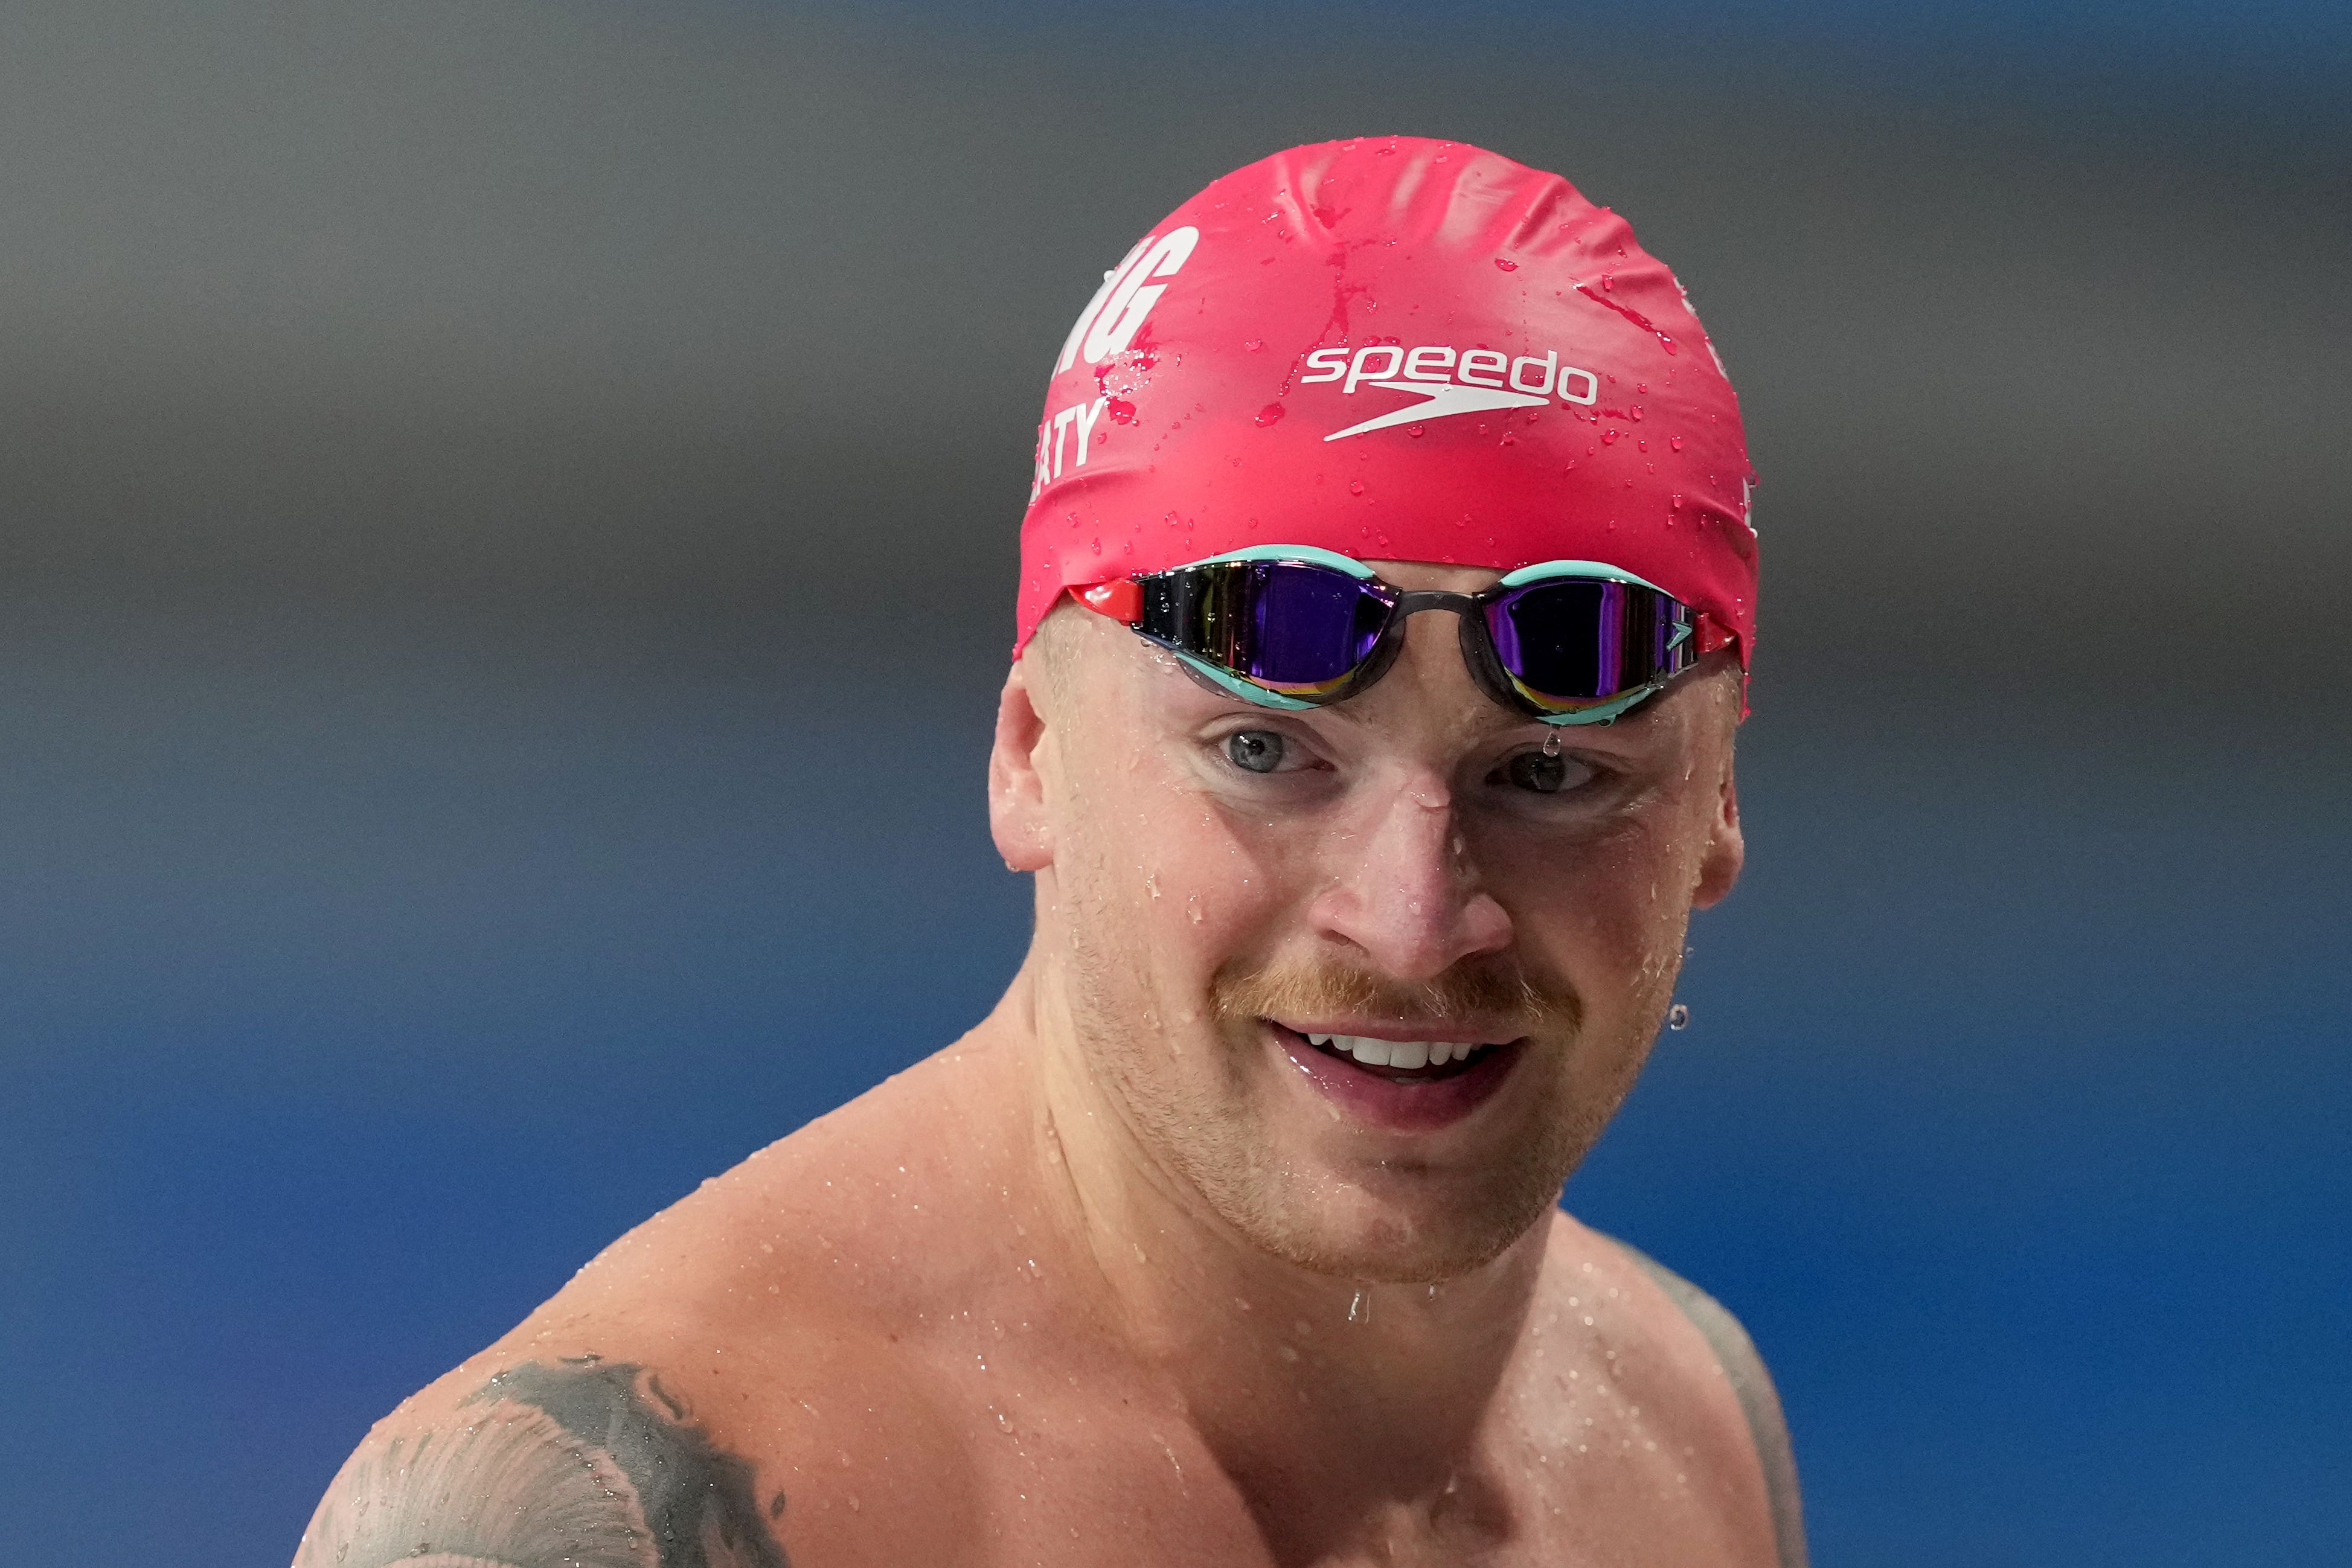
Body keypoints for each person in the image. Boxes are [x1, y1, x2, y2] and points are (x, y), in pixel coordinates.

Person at [294, 135, 1802, 1568]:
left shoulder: (1678, 1431)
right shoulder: (625, 1513)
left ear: (1717, 801)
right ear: (1030, 756)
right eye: (1266, 754)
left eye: (1548, 772)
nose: (1414, 923)